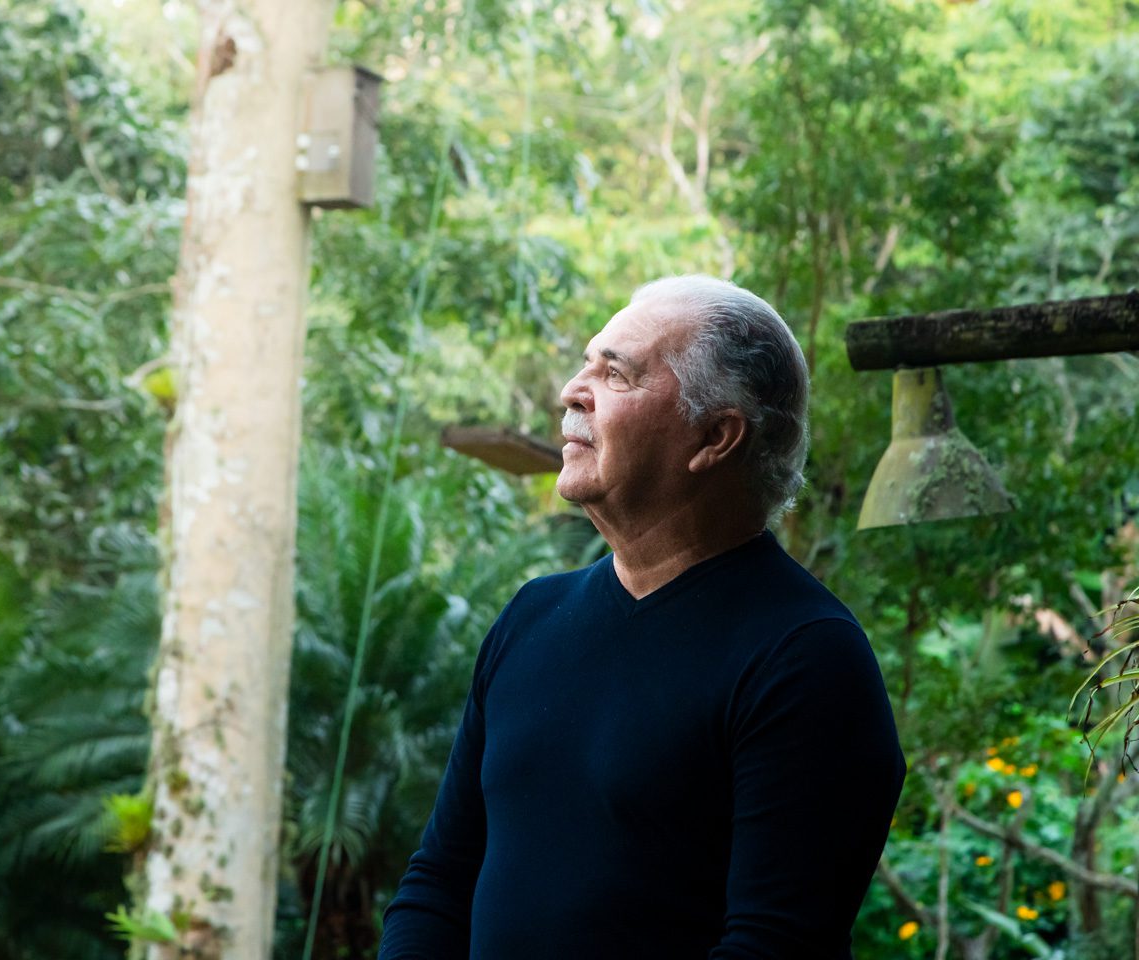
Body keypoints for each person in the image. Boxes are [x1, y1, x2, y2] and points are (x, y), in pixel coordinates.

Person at [378, 275, 905, 959]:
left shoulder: (806, 658)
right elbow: (439, 883)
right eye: (586, 361)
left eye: (615, 373)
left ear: (714, 436)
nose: (572, 389)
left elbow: (773, 946)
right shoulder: (532, 617)